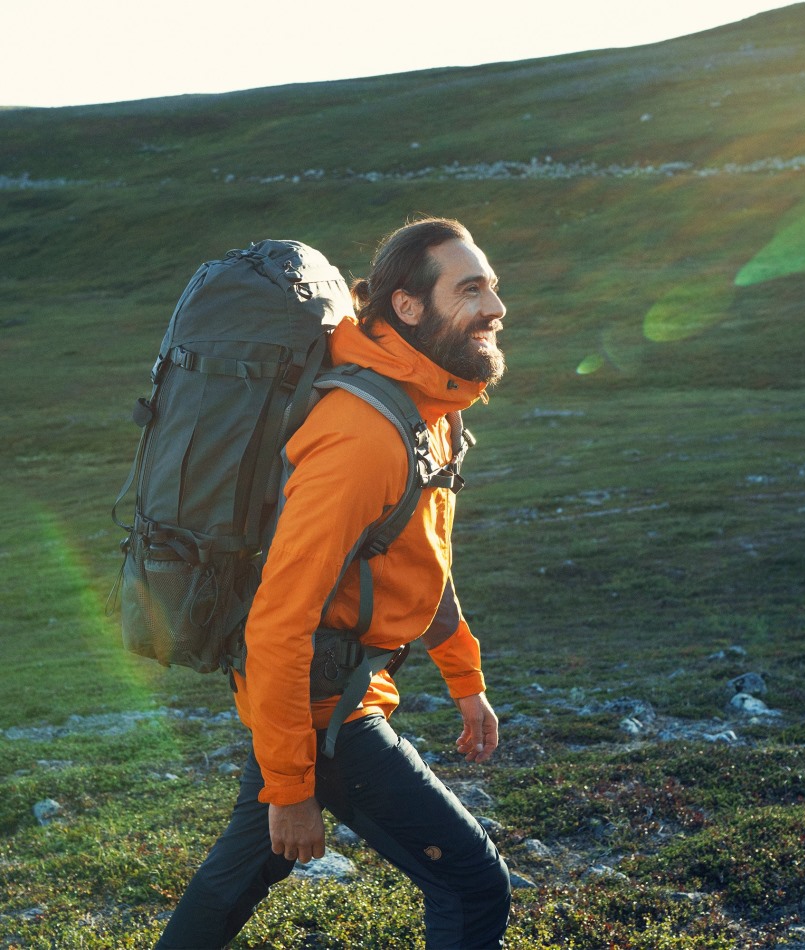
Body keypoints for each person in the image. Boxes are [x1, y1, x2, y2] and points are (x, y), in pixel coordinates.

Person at [156, 217, 511, 949]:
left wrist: (463, 675)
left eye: (493, 288)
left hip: (319, 698)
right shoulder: (360, 435)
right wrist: (291, 788)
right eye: (470, 288)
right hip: (327, 714)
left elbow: (420, 560)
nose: (495, 308)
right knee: (472, 886)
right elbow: (279, 621)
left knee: (236, 880)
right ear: (407, 307)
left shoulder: (430, 409)